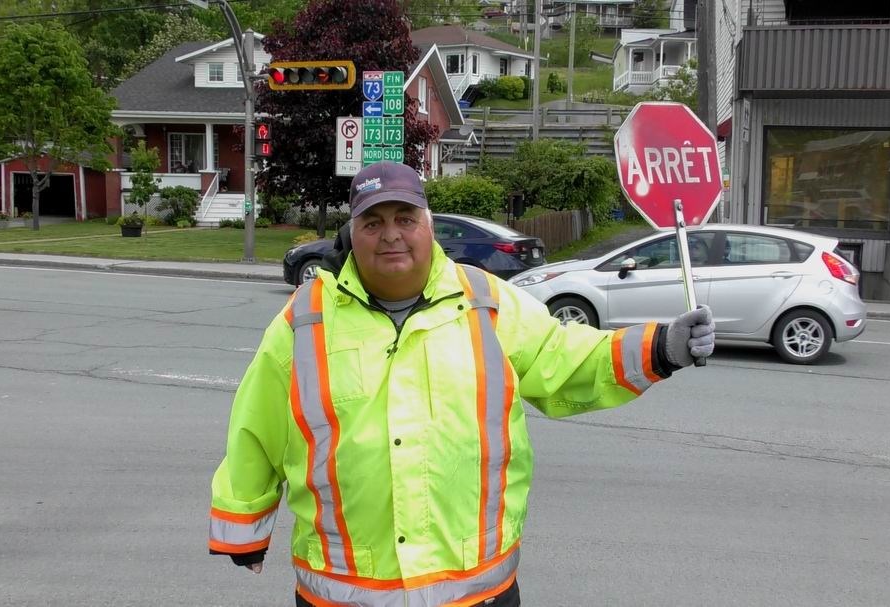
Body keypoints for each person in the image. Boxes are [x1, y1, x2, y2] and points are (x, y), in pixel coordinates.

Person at [209, 161, 715, 607]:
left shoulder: (486, 302)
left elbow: (565, 359)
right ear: (351, 233)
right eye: (373, 222)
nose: (391, 235)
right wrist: (243, 529)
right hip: (343, 592)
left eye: (405, 219)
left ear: (429, 227)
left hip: (475, 591)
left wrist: (661, 346)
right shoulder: (304, 320)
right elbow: (258, 426)